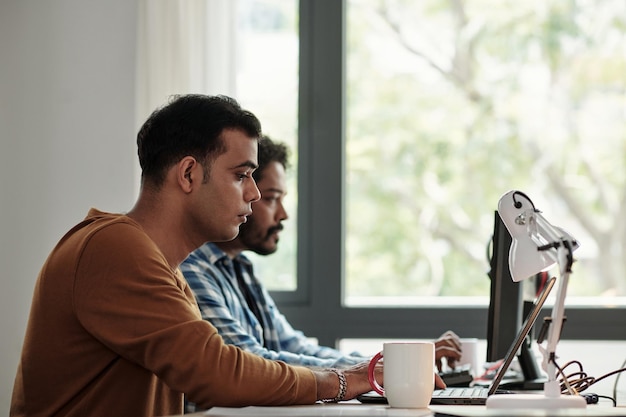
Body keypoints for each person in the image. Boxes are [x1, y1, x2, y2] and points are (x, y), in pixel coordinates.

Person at [10, 94, 414, 417]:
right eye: (241, 176)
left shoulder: (165, 268)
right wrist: (342, 382)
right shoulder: (112, 246)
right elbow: (216, 372)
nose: (254, 194)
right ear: (188, 174)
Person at [180, 135, 461, 410]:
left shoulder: (238, 268)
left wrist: (382, 364)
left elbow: (293, 345)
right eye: (272, 199)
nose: (283, 215)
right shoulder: (192, 269)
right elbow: (249, 362)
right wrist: (366, 373)